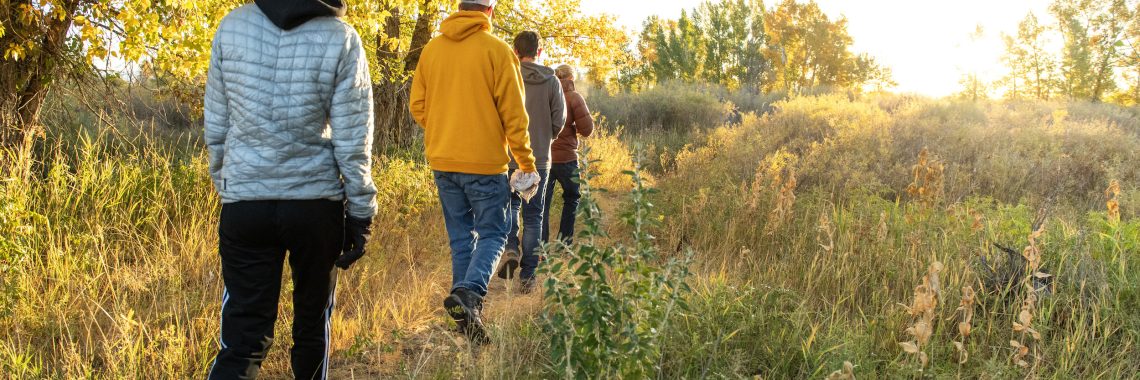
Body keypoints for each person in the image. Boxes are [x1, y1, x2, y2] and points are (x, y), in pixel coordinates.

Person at [204, 0, 377, 378]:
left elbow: (216, 125)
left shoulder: (232, 26)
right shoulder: (341, 37)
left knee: (242, 338)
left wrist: (229, 185)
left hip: (246, 205)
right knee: (313, 326)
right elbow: (353, 139)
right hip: (315, 206)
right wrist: (361, 211)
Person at [409, 0, 537, 344]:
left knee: (461, 239)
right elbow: (514, 116)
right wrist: (525, 162)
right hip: (484, 163)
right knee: (496, 232)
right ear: (489, 12)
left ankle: (467, 317)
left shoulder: (432, 50)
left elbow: (417, 106)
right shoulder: (497, 51)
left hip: (443, 161)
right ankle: (469, 295)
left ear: (459, 7)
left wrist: (443, 131)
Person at [496, 31, 566, 294]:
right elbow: (559, 120)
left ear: (515, 51)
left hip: (508, 156)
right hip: (539, 158)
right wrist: (547, 136)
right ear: (538, 51)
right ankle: (528, 276)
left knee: (510, 206)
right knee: (534, 215)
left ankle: (511, 246)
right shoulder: (552, 81)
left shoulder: (507, 76)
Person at [543, 64, 594, 245]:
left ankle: (541, 246)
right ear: (571, 79)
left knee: (542, 202)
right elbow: (587, 130)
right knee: (572, 197)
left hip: (544, 157)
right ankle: (564, 243)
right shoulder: (574, 97)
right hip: (566, 158)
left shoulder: (545, 94)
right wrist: (573, 127)